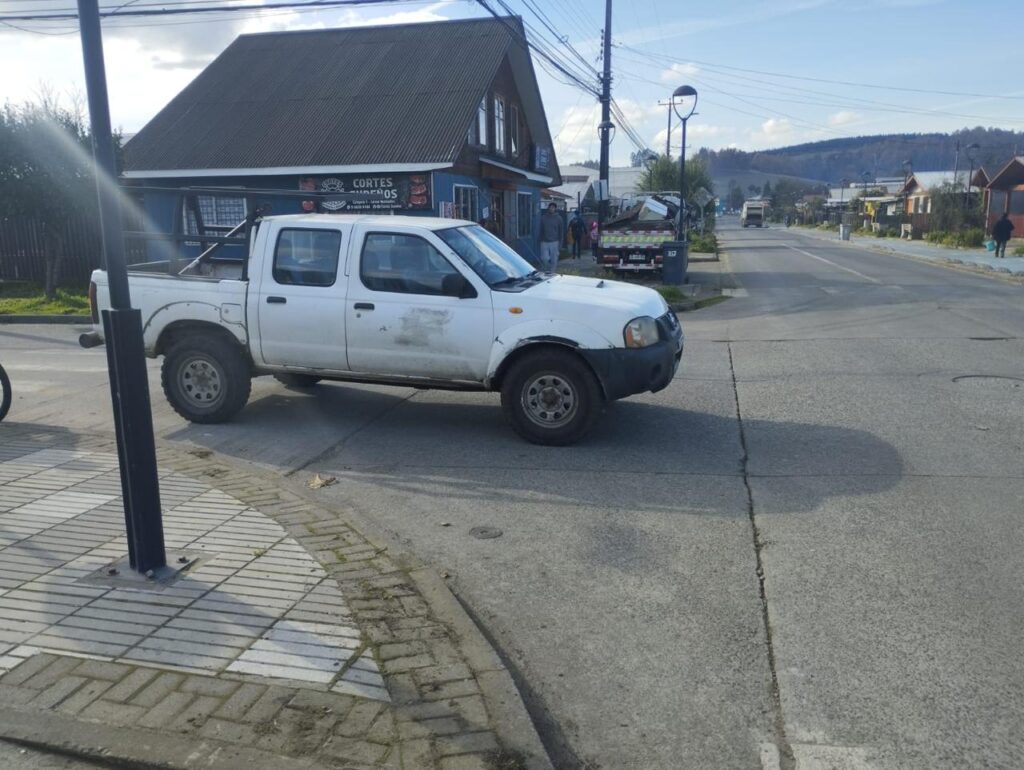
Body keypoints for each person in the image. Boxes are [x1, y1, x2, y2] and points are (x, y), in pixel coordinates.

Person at [539, 203, 564, 272]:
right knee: (544, 259)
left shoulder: (559, 218)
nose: (551, 209)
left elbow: (561, 231)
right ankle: (546, 269)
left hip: (555, 241)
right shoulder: (543, 218)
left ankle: (552, 272)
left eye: (553, 207)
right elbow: (540, 229)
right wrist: (540, 240)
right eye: (550, 207)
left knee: (554, 259)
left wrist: (560, 244)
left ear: (555, 209)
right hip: (544, 241)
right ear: (548, 208)